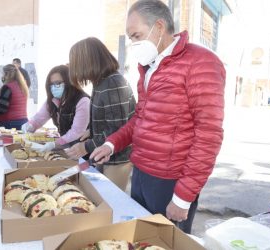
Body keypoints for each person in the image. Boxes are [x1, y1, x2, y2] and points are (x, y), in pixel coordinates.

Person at [90, 0, 226, 234]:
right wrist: (112, 143)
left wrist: (183, 197)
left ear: (159, 27)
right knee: (142, 237)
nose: (133, 43)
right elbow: (140, 119)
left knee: (167, 241)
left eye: (136, 36)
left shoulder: (200, 62)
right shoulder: (150, 67)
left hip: (171, 180)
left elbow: (209, 136)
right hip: (142, 172)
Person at [65, 37, 136, 191]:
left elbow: (118, 128)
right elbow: (109, 118)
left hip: (117, 159)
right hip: (104, 155)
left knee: (110, 202)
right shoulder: (101, 82)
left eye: (75, 63)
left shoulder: (112, 83)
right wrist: (92, 130)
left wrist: (86, 146)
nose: (74, 69)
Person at [21, 65, 90, 151]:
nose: (54, 87)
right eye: (51, 84)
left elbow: (77, 132)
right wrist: (30, 125)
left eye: (57, 83)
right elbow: (40, 117)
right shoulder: (53, 101)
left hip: (85, 150)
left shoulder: (82, 101)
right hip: (68, 148)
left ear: (69, 82)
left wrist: (55, 144)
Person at [0, 64, 29, 130]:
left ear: (6, 74)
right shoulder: (23, 86)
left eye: (3, 73)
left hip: (9, 123)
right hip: (23, 122)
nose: (2, 76)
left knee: (6, 140)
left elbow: (2, 108)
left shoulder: (7, 87)